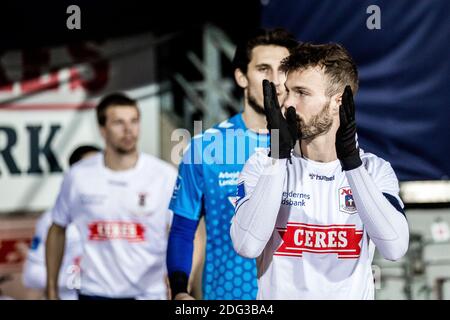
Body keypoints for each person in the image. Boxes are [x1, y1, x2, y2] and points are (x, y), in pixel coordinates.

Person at [231, 43, 409, 299]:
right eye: (288, 92)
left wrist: (352, 163)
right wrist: (278, 157)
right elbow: (247, 246)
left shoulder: (374, 169)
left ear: (338, 101)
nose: (288, 104)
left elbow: (394, 248)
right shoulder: (261, 164)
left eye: (302, 93)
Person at [167, 28, 298, 300]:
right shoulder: (206, 148)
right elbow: (183, 229)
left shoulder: (310, 147)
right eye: (264, 69)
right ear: (241, 77)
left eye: (283, 70)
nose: (275, 80)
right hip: (229, 297)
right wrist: (180, 289)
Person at [45, 93, 177, 300]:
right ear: (102, 129)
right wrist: (51, 289)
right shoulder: (78, 175)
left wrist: (180, 282)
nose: (128, 129)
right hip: (94, 292)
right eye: (118, 122)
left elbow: (184, 233)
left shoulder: (164, 176)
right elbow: (57, 229)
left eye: (134, 121)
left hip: (149, 294)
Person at [22, 145, 100, 300]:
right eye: (89, 170)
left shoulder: (121, 215)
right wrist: (76, 278)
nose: (97, 176)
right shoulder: (52, 219)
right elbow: (31, 275)